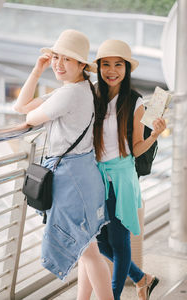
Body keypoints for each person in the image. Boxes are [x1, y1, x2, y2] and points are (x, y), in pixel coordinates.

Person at [14, 29, 114, 300]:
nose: (57, 64)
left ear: (82, 65)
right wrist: (38, 69)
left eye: (66, 59)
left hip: (72, 179)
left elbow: (29, 116)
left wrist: (38, 75)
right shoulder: (83, 90)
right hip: (83, 175)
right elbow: (21, 106)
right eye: (55, 57)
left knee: (89, 252)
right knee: (86, 247)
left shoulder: (68, 94)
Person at [78, 39, 166, 300]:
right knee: (100, 242)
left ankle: (113, 296)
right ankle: (142, 278)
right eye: (106, 64)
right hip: (95, 177)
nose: (112, 70)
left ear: (127, 69)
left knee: (119, 240)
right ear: (99, 67)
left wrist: (154, 136)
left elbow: (136, 148)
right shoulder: (92, 94)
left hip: (121, 177)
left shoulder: (135, 102)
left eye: (118, 65)